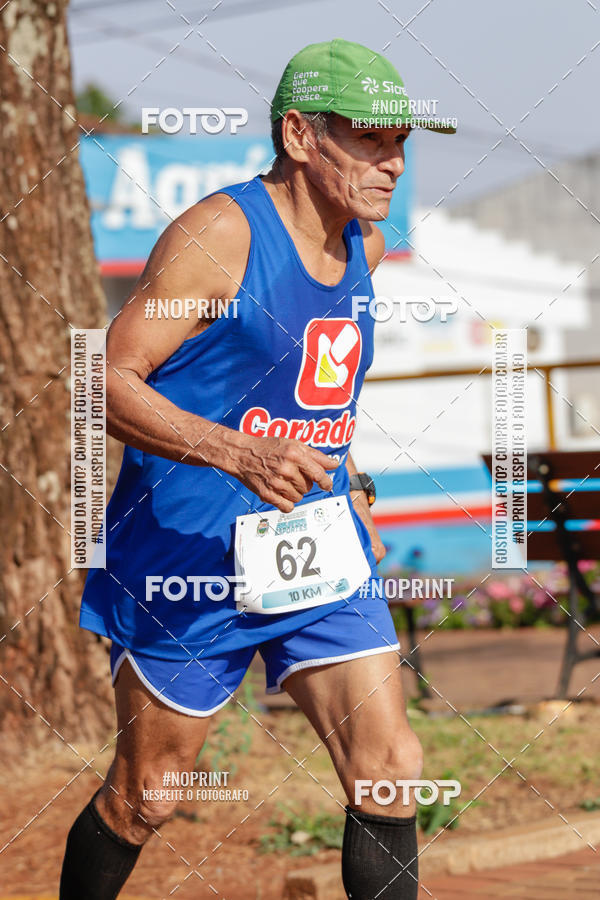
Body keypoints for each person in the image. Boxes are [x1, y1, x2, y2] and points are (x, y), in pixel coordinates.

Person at [59, 37, 454, 900]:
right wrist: (239, 451)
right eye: (370, 139)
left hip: (313, 545)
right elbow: (111, 381)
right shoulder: (219, 234)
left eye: (401, 143)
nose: (392, 162)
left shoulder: (367, 247)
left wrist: (351, 488)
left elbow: (317, 397)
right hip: (188, 552)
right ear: (301, 135)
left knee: (389, 764)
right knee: (148, 796)